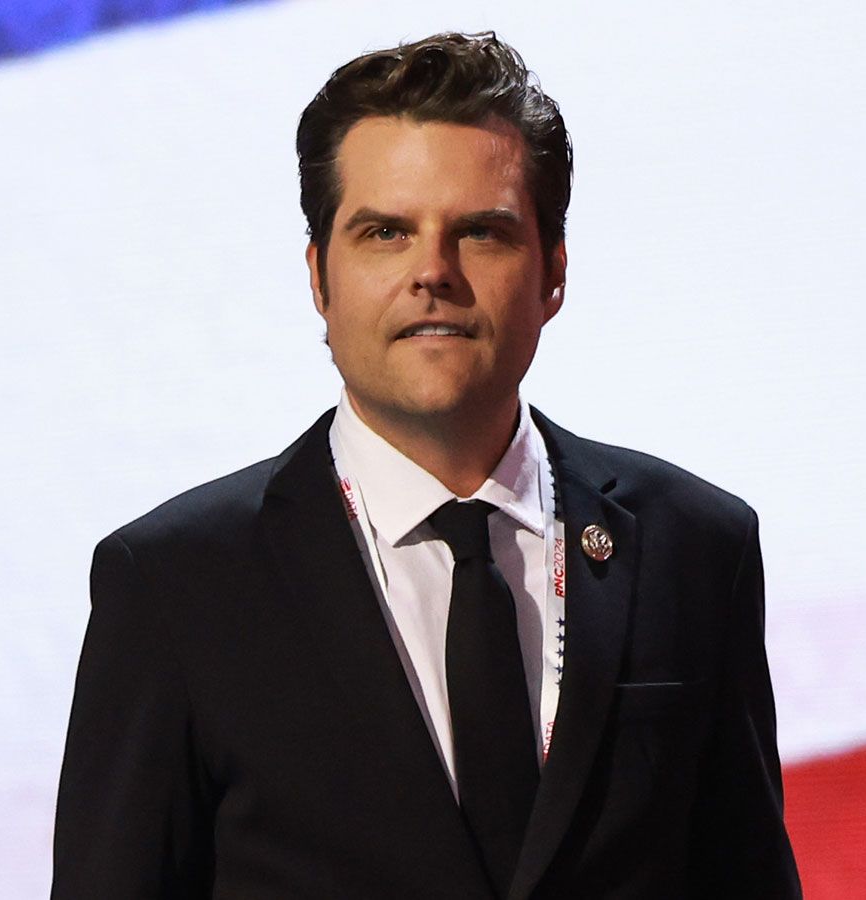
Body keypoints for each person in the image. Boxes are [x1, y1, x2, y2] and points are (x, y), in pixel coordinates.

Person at [52, 31, 800, 899]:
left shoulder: (694, 546)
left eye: (480, 233)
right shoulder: (175, 584)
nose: (432, 274)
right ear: (319, 279)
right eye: (385, 233)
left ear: (553, 273)